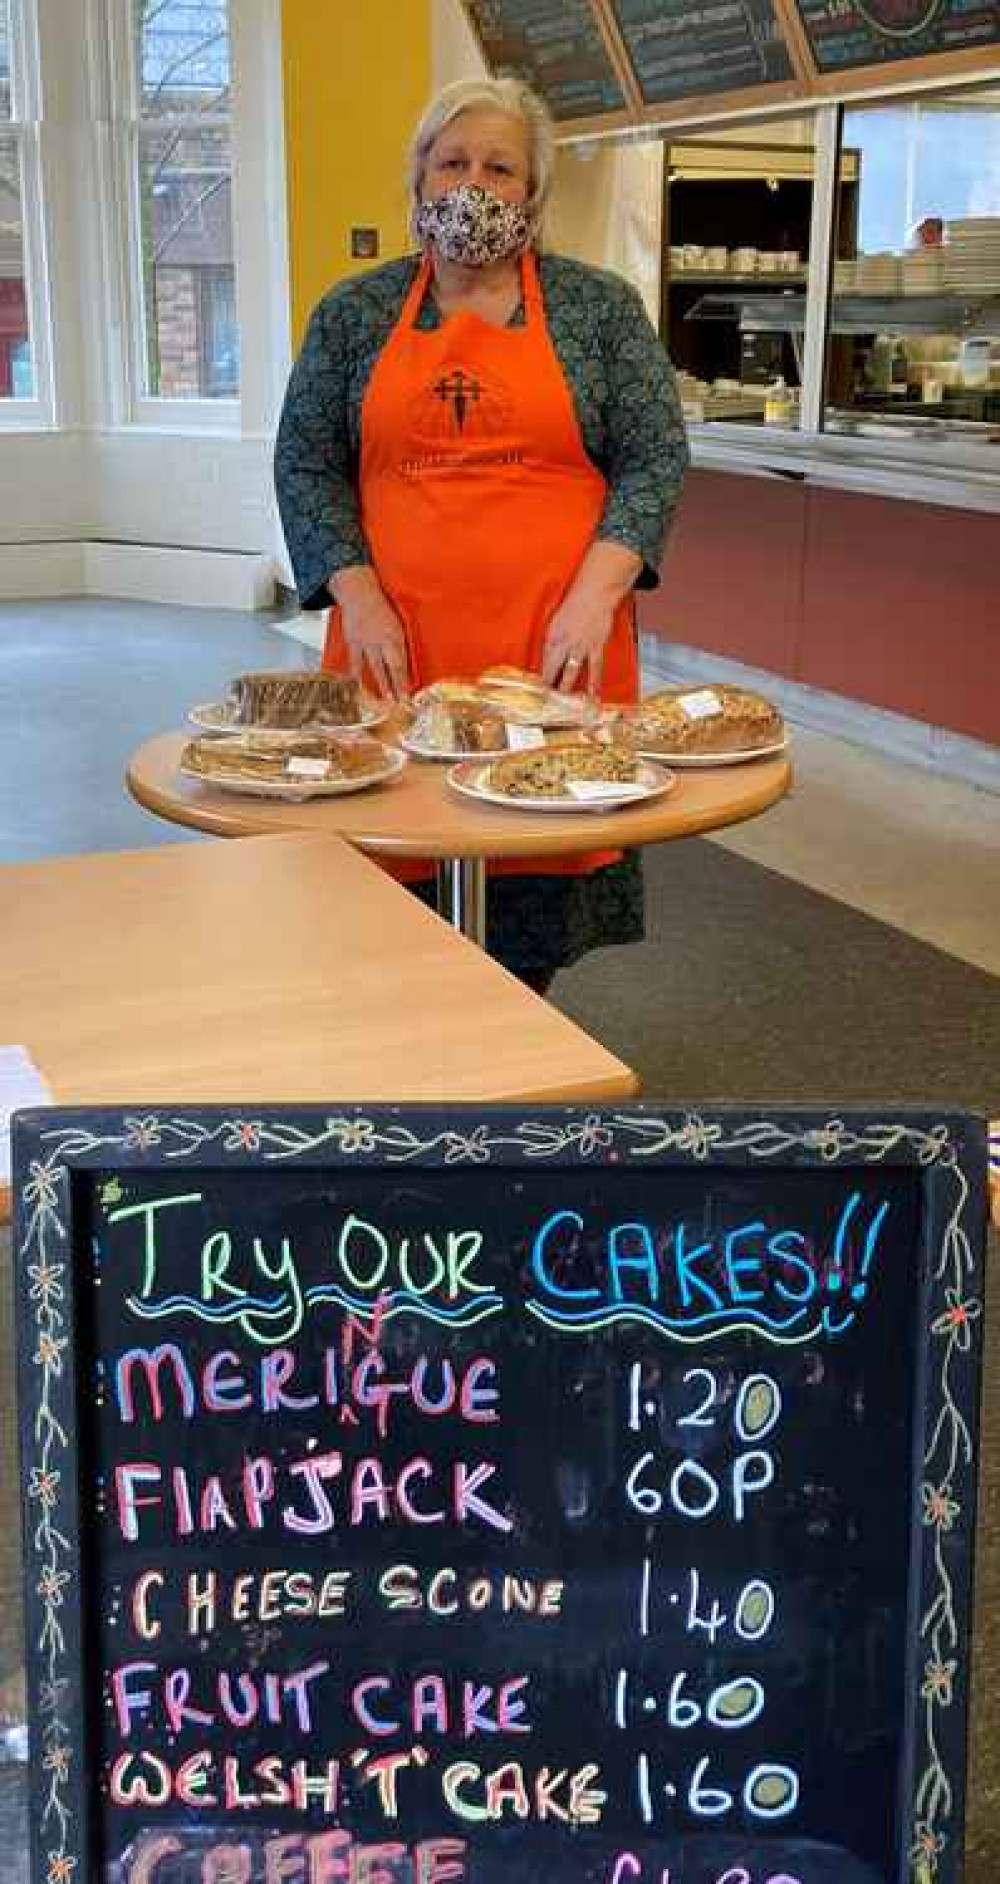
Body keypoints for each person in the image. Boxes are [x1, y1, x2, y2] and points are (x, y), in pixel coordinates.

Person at [275, 77, 688, 991]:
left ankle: (518, 1085)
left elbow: (655, 457)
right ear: (418, 180)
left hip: (553, 653)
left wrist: (595, 598)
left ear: (534, 194)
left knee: (533, 877)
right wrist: (360, 596)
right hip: (396, 647)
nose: (474, 184)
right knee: (396, 879)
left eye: (500, 167)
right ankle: (419, 1085)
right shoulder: (354, 315)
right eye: (452, 162)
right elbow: (305, 463)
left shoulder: (599, 311)